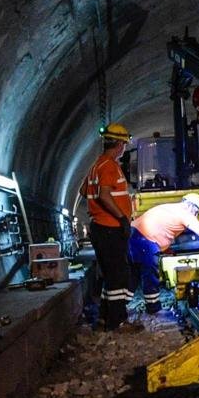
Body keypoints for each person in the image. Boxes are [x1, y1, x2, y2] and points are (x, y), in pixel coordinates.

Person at [81, 122, 138, 332]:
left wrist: (95, 209)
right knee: (119, 275)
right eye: (124, 143)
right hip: (110, 228)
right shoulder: (109, 166)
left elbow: (83, 191)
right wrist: (122, 218)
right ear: (119, 144)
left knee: (110, 274)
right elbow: (104, 194)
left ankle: (105, 318)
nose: (124, 147)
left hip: (101, 227)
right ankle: (118, 321)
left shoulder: (97, 165)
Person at [129, 192, 199, 308]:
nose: (196, 216)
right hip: (145, 240)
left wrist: (165, 248)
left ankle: (118, 308)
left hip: (135, 235)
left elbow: (163, 228)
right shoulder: (186, 213)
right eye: (197, 212)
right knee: (150, 275)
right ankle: (154, 310)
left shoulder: (172, 208)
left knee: (132, 275)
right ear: (192, 207)